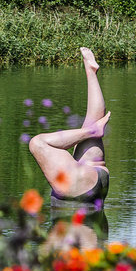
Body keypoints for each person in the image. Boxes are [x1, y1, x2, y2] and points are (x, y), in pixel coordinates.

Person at [29, 47, 110, 211]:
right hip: (94, 178)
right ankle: (91, 72)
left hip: (82, 187)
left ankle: (91, 131)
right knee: (91, 124)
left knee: (37, 143)